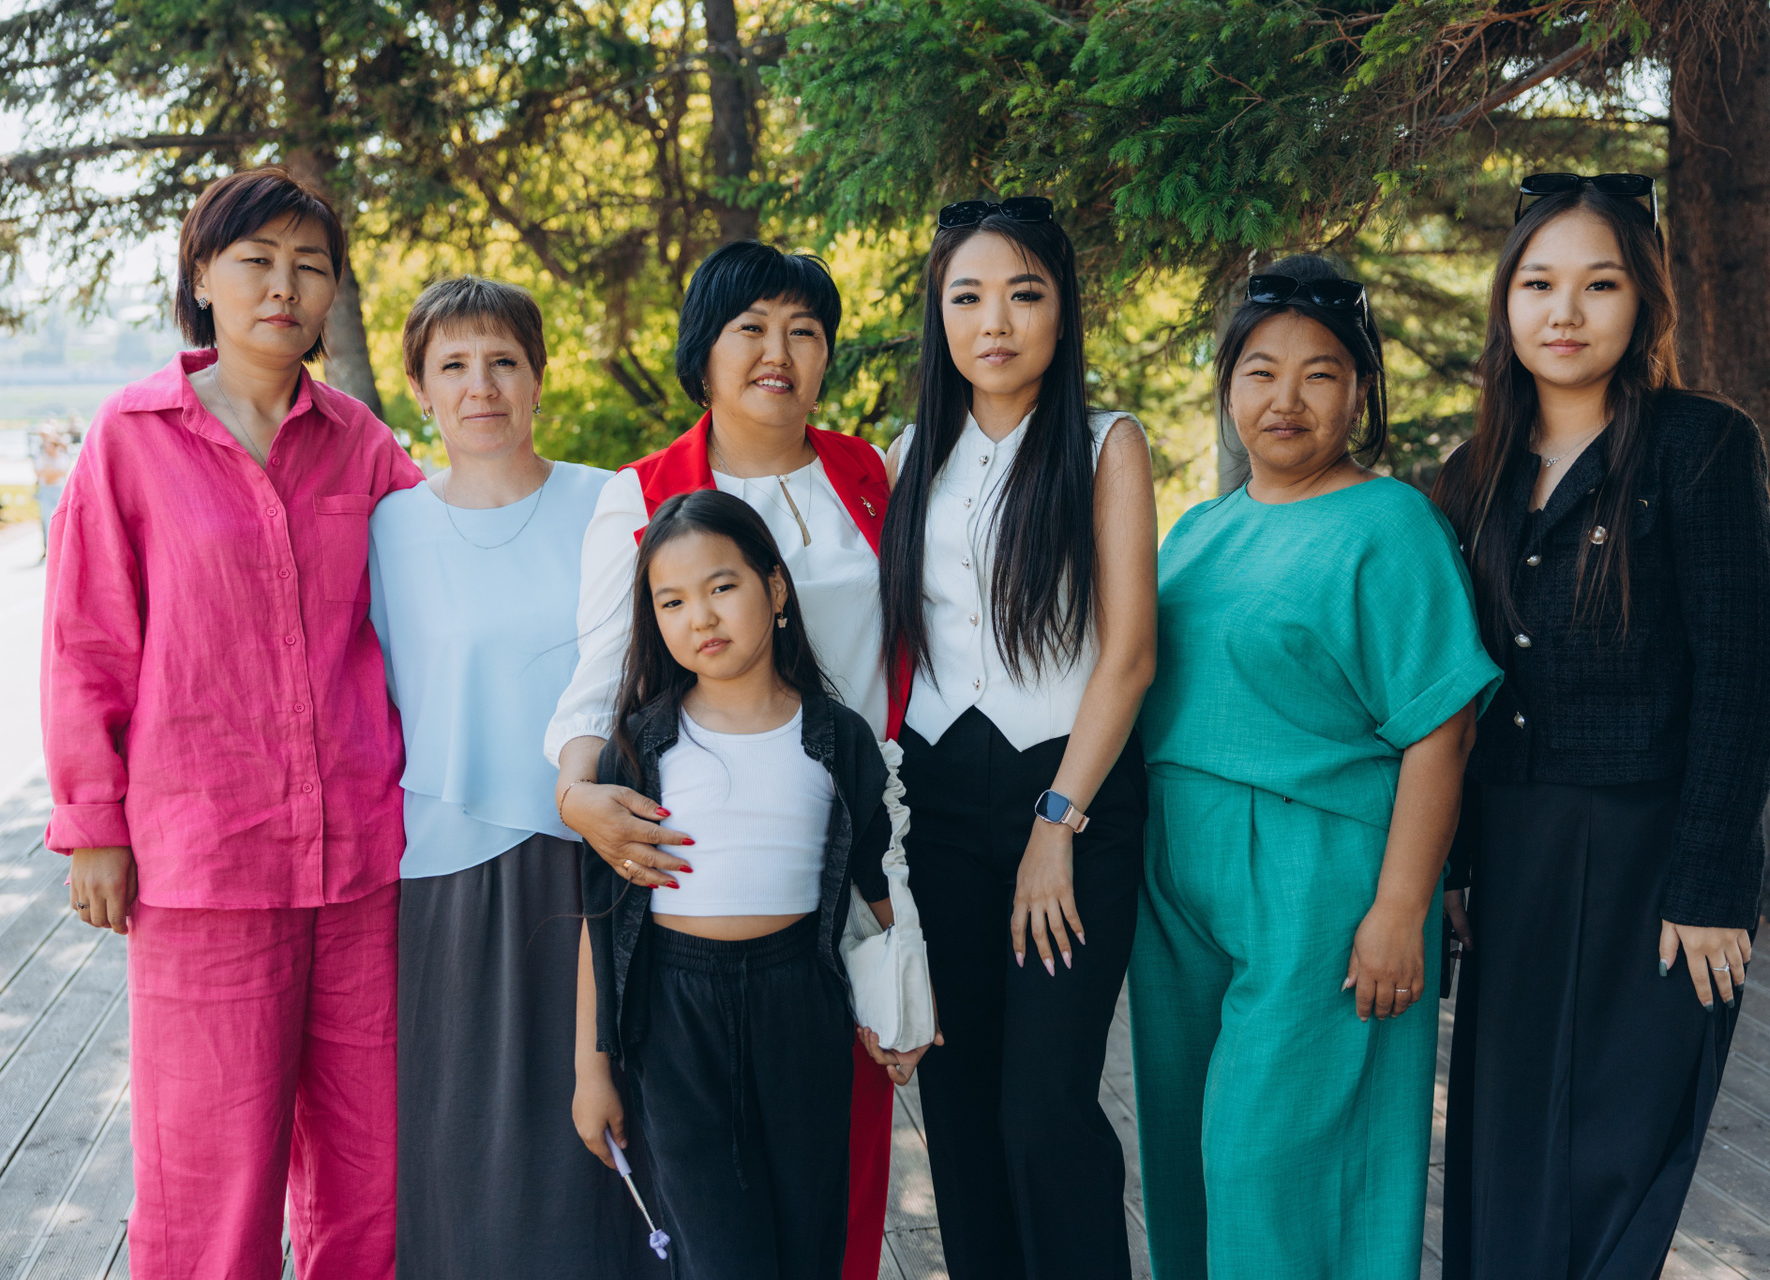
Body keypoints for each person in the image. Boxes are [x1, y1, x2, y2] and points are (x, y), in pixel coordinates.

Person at [41, 167, 424, 1280]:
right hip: (204, 863)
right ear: (202, 277)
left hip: (362, 861)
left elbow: (445, 590)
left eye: (310, 266)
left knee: (373, 1168)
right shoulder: (130, 436)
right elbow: (87, 640)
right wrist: (93, 824)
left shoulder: (362, 442)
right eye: (256, 261)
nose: (284, 287)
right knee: (211, 1177)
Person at [1433, 175, 1770, 1279]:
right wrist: (1453, 865)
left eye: (1600, 284)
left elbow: (1745, 673)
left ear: (1644, 303)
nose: (1565, 312)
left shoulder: (1701, 446)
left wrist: (1710, 879)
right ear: (1505, 302)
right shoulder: (1469, 477)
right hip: (1515, 851)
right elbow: (1456, 694)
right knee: (1508, 1146)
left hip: (1654, 849)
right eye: (1538, 284)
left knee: (1619, 1154)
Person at [1131, 256, 1502, 1279]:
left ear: (1361, 393)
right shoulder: (1200, 529)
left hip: (1317, 875)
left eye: (1320, 373)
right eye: (1260, 371)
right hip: (1175, 875)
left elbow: (1442, 729)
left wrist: (1401, 907)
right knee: (1186, 1156)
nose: (1285, 398)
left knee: (1274, 1165)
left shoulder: (1392, 525)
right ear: (1228, 388)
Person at [548, 240, 907, 1280]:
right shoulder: (644, 493)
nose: (778, 351)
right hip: (711, 858)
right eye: (751, 328)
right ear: (703, 349)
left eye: (804, 330)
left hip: (853, 830)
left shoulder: (868, 474)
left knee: (838, 1170)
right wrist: (580, 795)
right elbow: (599, 682)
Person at [878, 197, 1156, 1280]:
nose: (994, 321)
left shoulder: (1105, 443)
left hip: (1071, 797)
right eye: (968, 297)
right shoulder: (908, 453)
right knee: (959, 1109)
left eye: (1023, 294)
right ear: (940, 314)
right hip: (938, 806)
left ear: (1062, 309)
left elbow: (1128, 655)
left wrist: (1057, 822)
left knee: (1044, 1110)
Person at [366, 276, 659, 1277]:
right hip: (448, 873)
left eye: (503, 361)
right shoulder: (387, 528)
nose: (480, 386)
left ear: (538, 377)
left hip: (598, 855)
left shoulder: (607, 500)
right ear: (421, 388)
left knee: (603, 1141)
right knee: (469, 1144)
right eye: (452, 365)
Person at [574, 489, 918, 1280]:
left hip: (801, 1004)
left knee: (809, 1244)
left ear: (775, 588)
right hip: (674, 1017)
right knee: (718, 1254)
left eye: (721, 586)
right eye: (672, 600)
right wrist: (593, 1071)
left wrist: (904, 1007)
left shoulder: (837, 737)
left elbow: (879, 892)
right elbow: (601, 921)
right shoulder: (639, 749)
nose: (701, 615)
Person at [35, 432, 71, 557]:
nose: (47, 447)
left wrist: (49, 472)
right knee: (46, 520)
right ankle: (48, 548)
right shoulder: (41, 457)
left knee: (62, 519)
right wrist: (51, 473)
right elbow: (40, 474)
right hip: (45, 490)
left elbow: (60, 474)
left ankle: (62, 547)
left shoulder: (62, 457)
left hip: (58, 491)